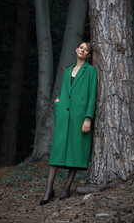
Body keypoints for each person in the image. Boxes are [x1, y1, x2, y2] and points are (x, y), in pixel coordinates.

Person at [39, 42, 97, 205]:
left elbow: (92, 95)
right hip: (64, 115)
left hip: (80, 117)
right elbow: (65, 90)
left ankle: (66, 187)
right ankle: (48, 189)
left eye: (86, 50)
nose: (83, 50)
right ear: (76, 49)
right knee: (57, 150)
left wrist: (88, 118)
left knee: (76, 150)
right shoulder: (67, 71)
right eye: (81, 48)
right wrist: (58, 101)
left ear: (89, 55)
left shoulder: (91, 71)